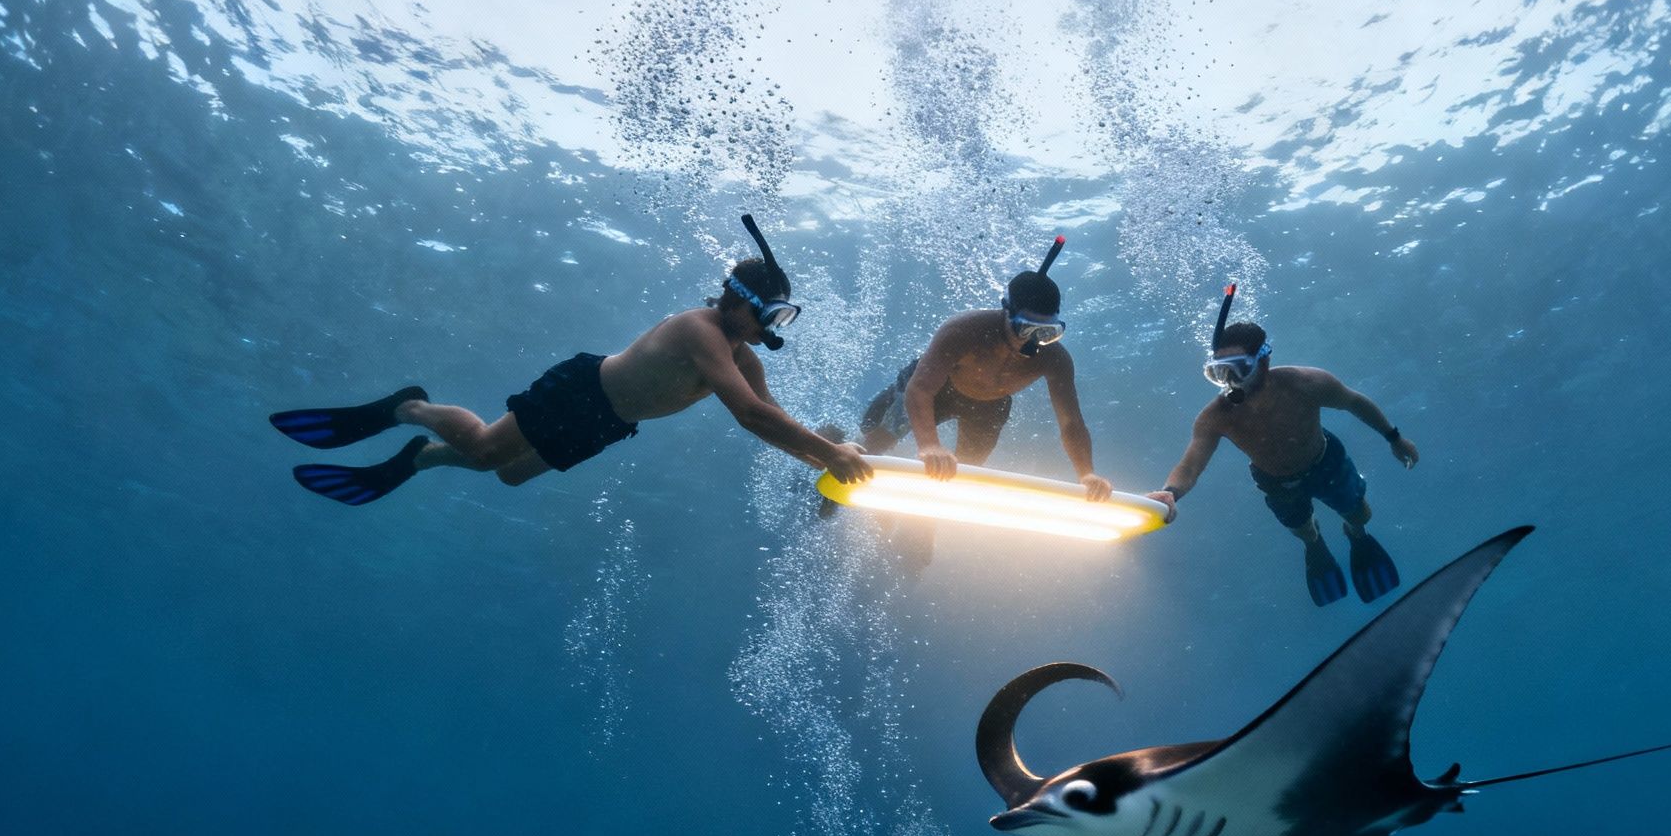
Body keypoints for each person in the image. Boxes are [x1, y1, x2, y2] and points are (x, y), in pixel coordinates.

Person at [269, 215, 872, 505]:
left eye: (782, 319)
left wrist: (823, 458)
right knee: (484, 448)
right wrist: (828, 452)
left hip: (609, 422)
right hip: (583, 391)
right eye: (770, 314)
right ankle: (411, 408)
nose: (771, 329)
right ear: (738, 301)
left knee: (504, 472)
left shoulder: (742, 355)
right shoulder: (700, 331)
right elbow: (748, 416)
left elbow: (769, 415)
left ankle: (420, 459)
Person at [1146, 285, 1419, 606]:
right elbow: (1191, 464)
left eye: (1238, 368)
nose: (1232, 381)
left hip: (1325, 460)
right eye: (1220, 373)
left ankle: (1356, 535)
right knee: (1302, 530)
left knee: (1360, 514)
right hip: (1275, 481)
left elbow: (1354, 403)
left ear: (1263, 360)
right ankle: (1313, 543)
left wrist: (1394, 437)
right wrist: (1170, 492)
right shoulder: (1216, 417)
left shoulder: (1306, 383)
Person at [838, 235, 1112, 501]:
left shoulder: (1055, 359)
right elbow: (920, 389)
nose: (1033, 340)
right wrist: (930, 446)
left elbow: (1071, 422)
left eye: (1046, 332)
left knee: (963, 472)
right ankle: (836, 465)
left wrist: (1086, 474)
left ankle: (924, 522)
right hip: (935, 388)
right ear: (1006, 310)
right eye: (1026, 327)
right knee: (875, 439)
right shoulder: (963, 331)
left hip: (990, 406)